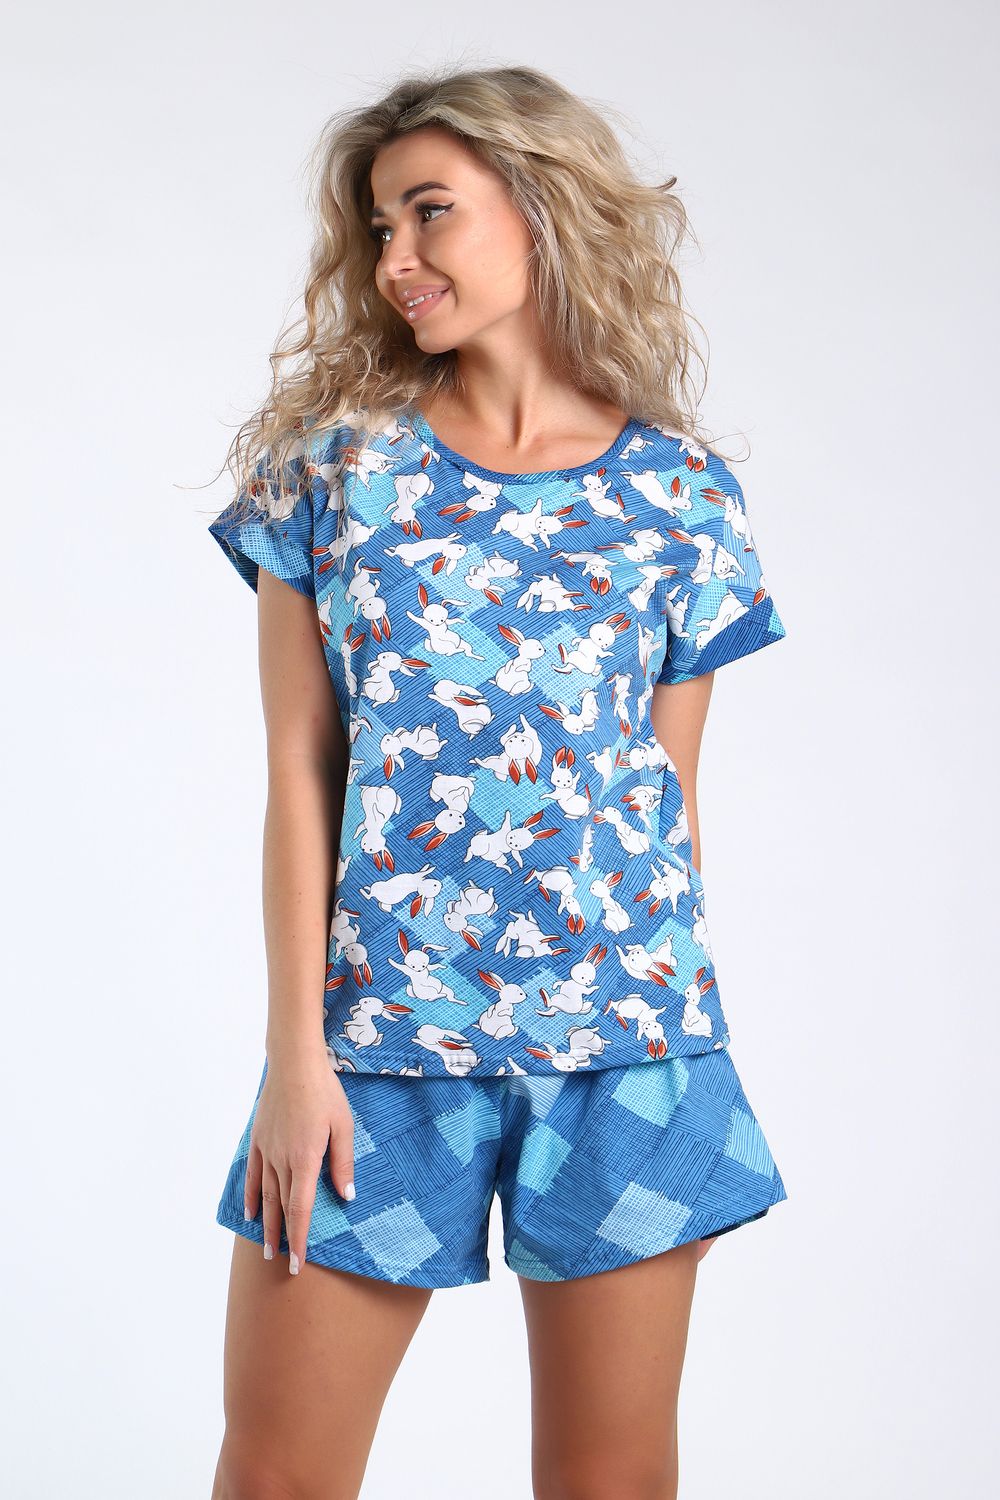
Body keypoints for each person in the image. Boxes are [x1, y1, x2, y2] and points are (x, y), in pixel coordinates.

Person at [206, 63, 790, 1500]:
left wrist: (668, 1027)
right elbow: (300, 772)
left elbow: (666, 801)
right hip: (375, 1050)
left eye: (429, 212)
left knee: (610, 1482)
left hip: (626, 1049)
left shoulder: (682, 499)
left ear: (540, 205)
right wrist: (298, 1059)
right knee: (278, 1476)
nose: (395, 259)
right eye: (377, 227)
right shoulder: (333, 476)